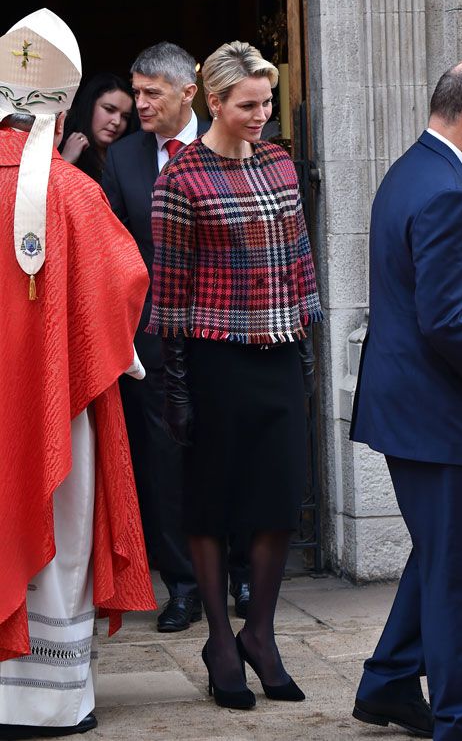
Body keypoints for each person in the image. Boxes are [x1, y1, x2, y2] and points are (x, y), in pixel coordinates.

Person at [146, 40, 322, 709]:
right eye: (247, 104)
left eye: (266, 102)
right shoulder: (180, 179)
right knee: (213, 502)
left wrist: (305, 346)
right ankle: (221, 640)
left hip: (278, 352)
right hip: (214, 358)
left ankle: (261, 635)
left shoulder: (279, 162)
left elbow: (301, 260)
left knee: (279, 498)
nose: (260, 114)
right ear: (211, 102)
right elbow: (168, 295)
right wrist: (178, 389)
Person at [0, 8, 156, 739]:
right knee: (55, 524)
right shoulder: (73, 191)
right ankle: (46, 702)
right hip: (51, 407)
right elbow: (124, 281)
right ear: (60, 105)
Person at [350, 60, 462, 741]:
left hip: (418, 414)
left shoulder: (409, 169)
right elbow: (445, 321)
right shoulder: (444, 189)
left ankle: (386, 680)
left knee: (444, 557)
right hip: (442, 419)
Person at [102, 41, 251, 632]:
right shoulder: (124, 160)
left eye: (149, 93)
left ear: (188, 93)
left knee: (232, 459)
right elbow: (114, 251)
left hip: (224, 336)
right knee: (166, 470)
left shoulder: (234, 146)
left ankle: (240, 573)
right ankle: (183, 586)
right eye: (135, 92)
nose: (138, 103)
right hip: (154, 343)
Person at [60, 72, 138, 182]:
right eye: (109, 109)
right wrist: (65, 161)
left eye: (125, 117)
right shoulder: (58, 144)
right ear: (90, 106)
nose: (117, 121)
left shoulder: (130, 159)